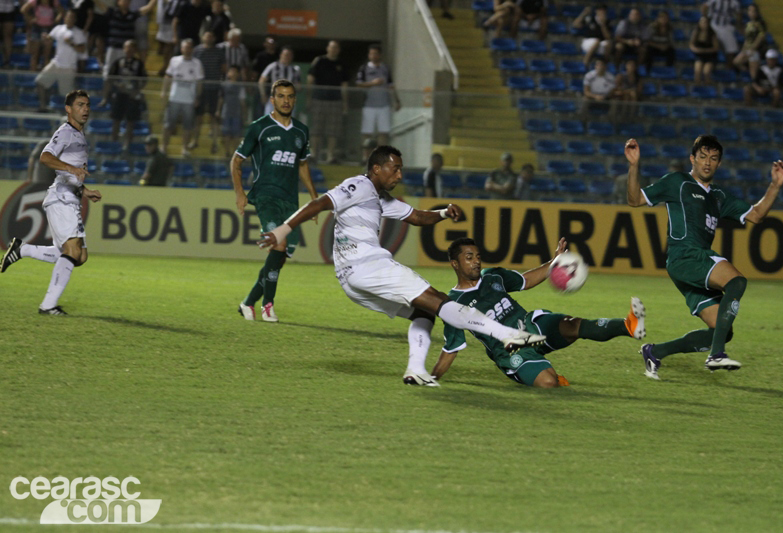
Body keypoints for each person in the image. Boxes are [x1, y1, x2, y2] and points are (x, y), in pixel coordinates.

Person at [256, 145, 547, 386]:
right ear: (375, 169)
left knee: (423, 313)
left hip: (350, 280)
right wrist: (283, 230)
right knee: (439, 302)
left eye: (400, 169)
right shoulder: (358, 186)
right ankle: (504, 333)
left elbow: (418, 217)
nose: (399, 174)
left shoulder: (380, 199)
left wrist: (444, 213)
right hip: (368, 265)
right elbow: (319, 203)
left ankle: (415, 370)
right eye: (393, 168)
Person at [625, 135, 783, 379]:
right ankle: (716, 355)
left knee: (721, 329)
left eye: (713, 159)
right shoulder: (678, 182)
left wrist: (774, 185)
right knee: (737, 281)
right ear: (692, 159)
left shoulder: (719, 196)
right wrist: (634, 165)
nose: (707, 163)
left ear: (719, 163)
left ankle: (655, 351)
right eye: (702, 157)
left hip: (691, 266)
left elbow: (756, 215)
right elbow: (635, 199)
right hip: (685, 256)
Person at [430, 237, 646, 387]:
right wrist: (431, 377)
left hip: (531, 324)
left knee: (572, 325)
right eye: (469, 257)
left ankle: (627, 325)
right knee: (548, 383)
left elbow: (525, 281)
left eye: (477, 256)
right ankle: (542, 373)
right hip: (510, 350)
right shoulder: (454, 303)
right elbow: (452, 348)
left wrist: (554, 262)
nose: (476, 261)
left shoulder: (493, 276)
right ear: (454, 264)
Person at [0, 90, 103, 315]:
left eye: (87, 105)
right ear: (68, 109)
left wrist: (84, 191)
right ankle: (48, 306)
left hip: (70, 198)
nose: (85, 109)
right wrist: (71, 168)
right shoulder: (65, 132)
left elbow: (71, 175)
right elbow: (45, 157)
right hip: (61, 199)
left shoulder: (79, 136)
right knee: (73, 251)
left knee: (79, 256)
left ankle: (22, 249)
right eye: (79, 105)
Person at [230, 79, 317, 324]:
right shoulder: (260, 128)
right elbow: (236, 161)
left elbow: (302, 164)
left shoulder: (301, 131)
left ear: (295, 100)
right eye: (280, 96)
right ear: (272, 99)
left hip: (290, 201)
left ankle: (248, 301)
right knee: (278, 246)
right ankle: (268, 306)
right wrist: (240, 193)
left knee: (279, 258)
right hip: (266, 197)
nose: (286, 100)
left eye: (290, 96)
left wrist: (313, 198)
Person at [355, 44, 399, 164]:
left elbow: (391, 86)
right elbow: (359, 84)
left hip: (384, 105)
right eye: (371, 54)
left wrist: (397, 100)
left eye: (376, 53)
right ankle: (366, 157)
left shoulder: (385, 68)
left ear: (380, 55)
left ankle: (381, 157)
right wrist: (373, 83)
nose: (373, 56)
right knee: (367, 132)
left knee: (383, 132)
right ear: (369, 55)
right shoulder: (364, 68)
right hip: (369, 105)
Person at [35, 9, 86, 112]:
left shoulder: (79, 33)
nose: (70, 19)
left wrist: (71, 43)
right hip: (56, 63)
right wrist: (46, 37)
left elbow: (82, 50)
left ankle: (69, 114)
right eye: (68, 17)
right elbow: (50, 38)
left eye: (72, 17)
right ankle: (43, 106)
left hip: (69, 67)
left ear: (75, 20)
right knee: (40, 82)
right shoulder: (58, 28)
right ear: (65, 18)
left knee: (67, 95)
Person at [100, 39, 146, 151]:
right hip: (119, 95)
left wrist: (136, 89)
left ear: (134, 50)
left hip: (132, 96)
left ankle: (127, 145)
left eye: (131, 48)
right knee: (116, 120)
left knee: (130, 121)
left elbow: (143, 79)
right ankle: (114, 143)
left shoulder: (139, 64)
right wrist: (116, 87)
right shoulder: (118, 62)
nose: (129, 50)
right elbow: (110, 78)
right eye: (127, 48)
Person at [161, 38, 204, 157]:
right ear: (181, 48)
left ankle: (184, 148)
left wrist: (197, 97)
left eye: (189, 47)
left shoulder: (197, 63)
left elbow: (199, 82)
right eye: (185, 47)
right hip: (174, 97)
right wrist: (164, 91)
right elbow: (168, 76)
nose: (187, 50)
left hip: (189, 100)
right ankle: (164, 147)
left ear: (192, 49)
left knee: (187, 125)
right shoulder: (174, 60)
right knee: (168, 124)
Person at [307, 40, 348, 164]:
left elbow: (344, 85)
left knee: (333, 130)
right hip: (319, 99)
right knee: (316, 128)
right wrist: (309, 98)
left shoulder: (341, 64)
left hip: (335, 101)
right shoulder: (319, 61)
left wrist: (345, 103)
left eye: (336, 47)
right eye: (332, 47)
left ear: (338, 50)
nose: (333, 50)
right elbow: (310, 79)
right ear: (327, 48)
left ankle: (330, 155)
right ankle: (314, 153)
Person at [98, 0, 156, 78]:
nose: (126, 2)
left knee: (123, 72)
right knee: (108, 71)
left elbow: (149, 7)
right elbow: (99, 4)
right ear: (118, 2)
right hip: (113, 48)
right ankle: (106, 89)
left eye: (128, 1)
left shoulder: (132, 15)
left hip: (126, 50)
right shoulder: (112, 12)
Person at [192, 30, 226, 153]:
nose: (208, 38)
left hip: (214, 89)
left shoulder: (219, 52)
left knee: (214, 117)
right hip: (200, 88)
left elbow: (223, 68)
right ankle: (194, 141)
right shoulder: (197, 50)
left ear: (214, 38)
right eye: (207, 35)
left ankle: (215, 144)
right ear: (203, 37)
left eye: (211, 36)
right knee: (198, 117)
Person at [258, 46, 301, 115]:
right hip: (274, 100)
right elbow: (262, 80)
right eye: (286, 55)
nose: (287, 57)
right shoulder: (273, 66)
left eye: (290, 55)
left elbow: (298, 85)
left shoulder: (295, 69)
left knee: (287, 123)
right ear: (281, 55)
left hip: (289, 101)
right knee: (270, 122)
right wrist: (263, 95)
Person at [21, 0, 63, 71]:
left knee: (47, 55)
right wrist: (30, 18)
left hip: (49, 29)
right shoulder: (35, 1)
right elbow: (23, 9)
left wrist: (56, 20)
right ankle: (33, 74)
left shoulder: (53, 2)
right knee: (35, 54)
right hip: (37, 28)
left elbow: (61, 12)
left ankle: (46, 77)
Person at [217, 65, 246, 159]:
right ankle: (226, 152)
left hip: (236, 113)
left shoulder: (240, 86)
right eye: (231, 71)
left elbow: (242, 101)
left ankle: (235, 153)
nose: (232, 73)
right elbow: (221, 99)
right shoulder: (223, 85)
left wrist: (244, 113)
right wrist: (218, 110)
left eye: (235, 71)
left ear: (238, 74)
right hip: (226, 112)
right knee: (226, 133)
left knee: (236, 134)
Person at [702, 0, 740, 69]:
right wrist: (706, 18)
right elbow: (705, 6)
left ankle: (729, 69)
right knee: (710, 46)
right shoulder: (714, 1)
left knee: (731, 49)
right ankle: (711, 67)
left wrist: (738, 25)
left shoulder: (734, 2)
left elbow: (738, 13)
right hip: (714, 26)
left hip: (726, 27)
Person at [733, 4, 766, 80]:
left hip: (755, 50)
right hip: (748, 48)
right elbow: (747, 39)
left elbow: (760, 37)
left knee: (753, 75)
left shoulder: (759, 24)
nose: (751, 13)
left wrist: (753, 48)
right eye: (750, 11)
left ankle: (755, 81)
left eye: (753, 11)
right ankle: (748, 73)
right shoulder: (748, 24)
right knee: (736, 62)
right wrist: (744, 50)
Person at [689, 15, 719, 85]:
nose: (703, 24)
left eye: (705, 22)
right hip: (699, 55)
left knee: (706, 72)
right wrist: (696, 49)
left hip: (710, 56)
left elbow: (716, 48)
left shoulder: (712, 34)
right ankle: (698, 88)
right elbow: (691, 44)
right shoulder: (696, 32)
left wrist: (705, 50)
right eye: (702, 22)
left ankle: (707, 87)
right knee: (697, 71)